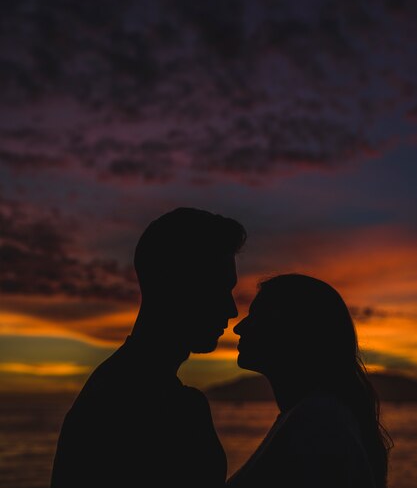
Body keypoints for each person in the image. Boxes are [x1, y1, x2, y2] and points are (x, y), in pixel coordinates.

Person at [50, 207, 246, 488]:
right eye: (218, 288)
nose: (231, 309)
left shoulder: (113, 388)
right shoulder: (143, 404)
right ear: (176, 285)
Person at [228, 273, 392, 488]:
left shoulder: (317, 422)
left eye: (257, 315)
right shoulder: (315, 416)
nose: (239, 327)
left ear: (293, 330)